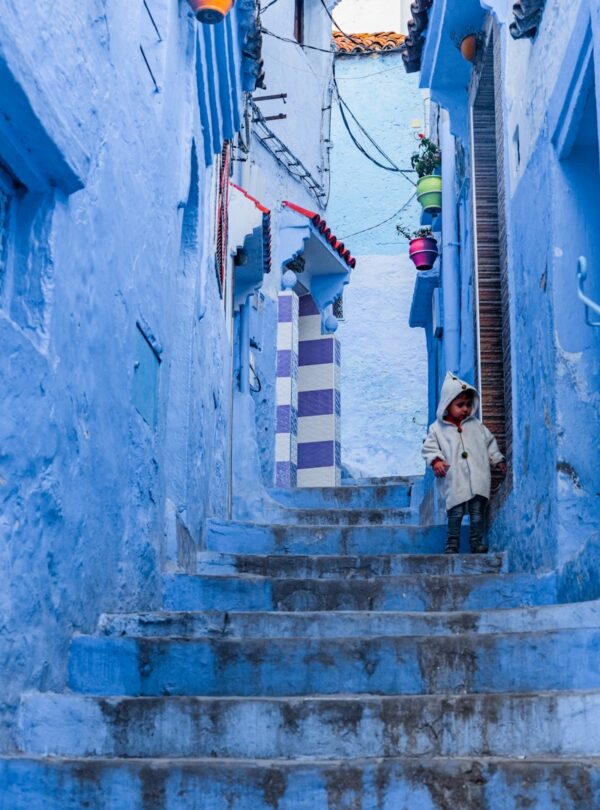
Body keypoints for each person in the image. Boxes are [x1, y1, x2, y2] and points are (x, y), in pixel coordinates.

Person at [422, 372, 506, 554]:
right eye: (460, 405)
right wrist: (436, 461)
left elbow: (490, 443)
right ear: (447, 405)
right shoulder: (437, 429)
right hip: (455, 479)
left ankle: (476, 542)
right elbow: (429, 448)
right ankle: (452, 543)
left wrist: (497, 459)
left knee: (477, 513)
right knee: (456, 512)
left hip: (478, 476)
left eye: (468, 404)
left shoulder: (476, 425)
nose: (465, 409)